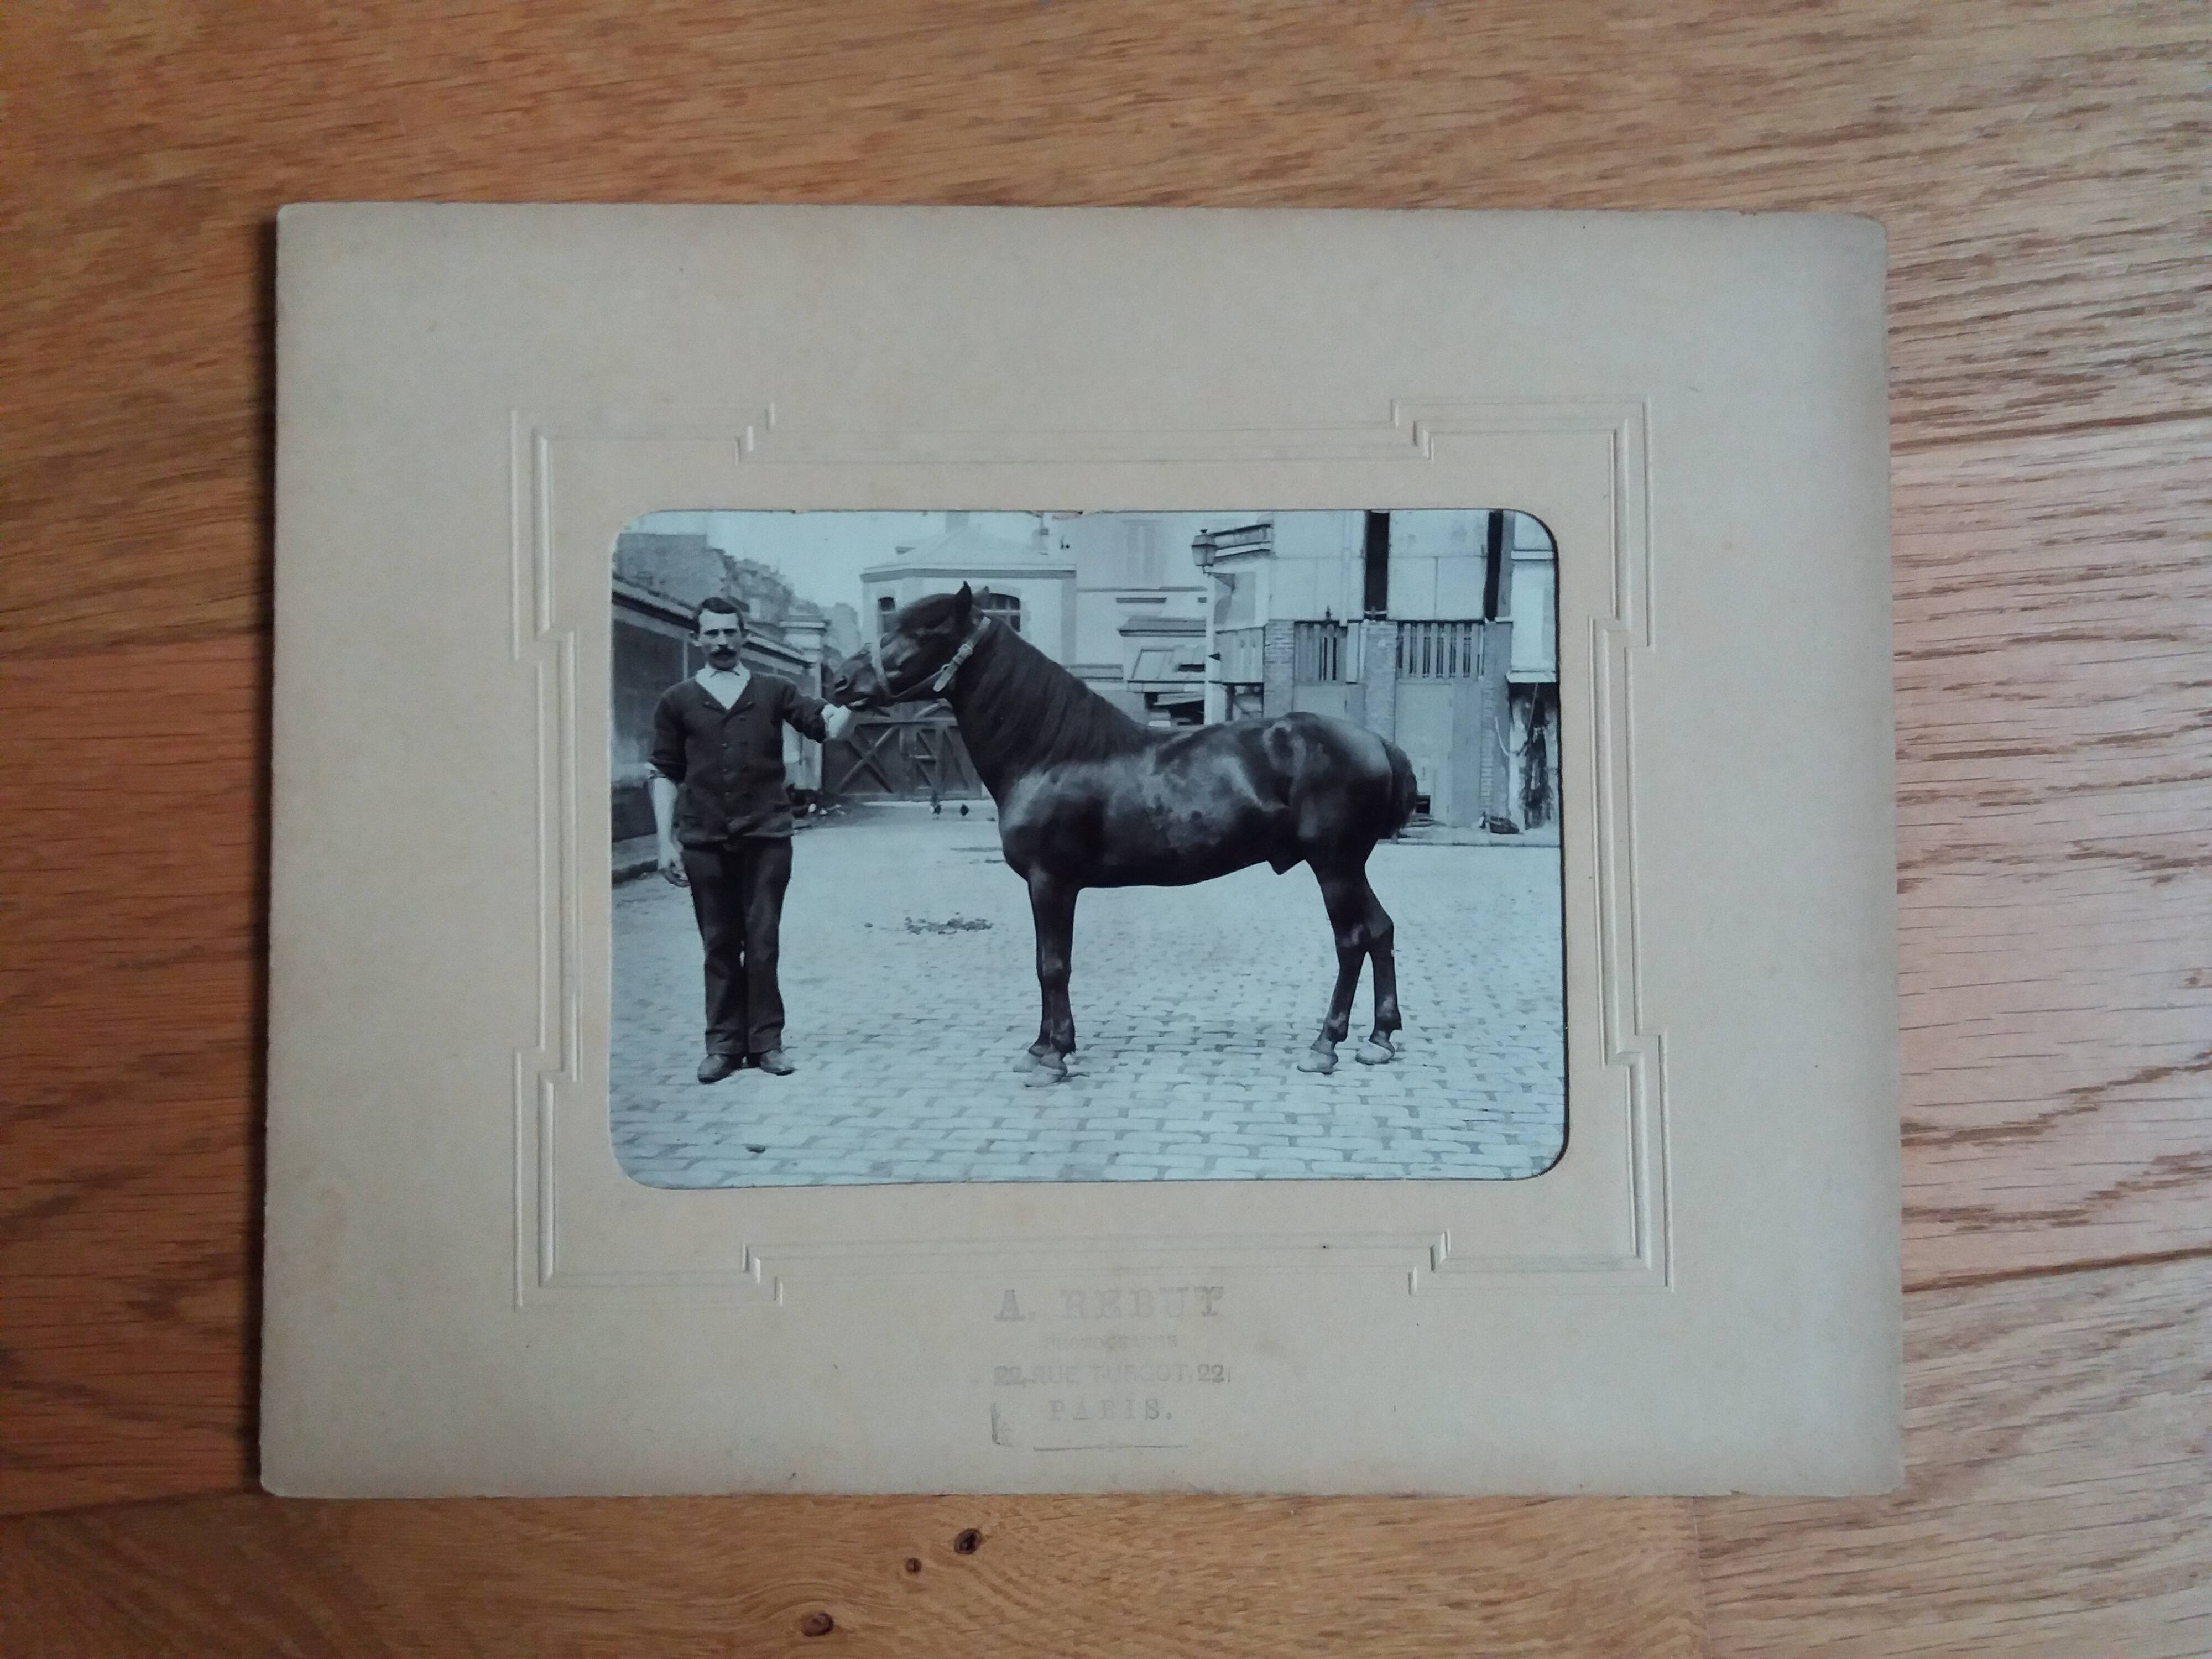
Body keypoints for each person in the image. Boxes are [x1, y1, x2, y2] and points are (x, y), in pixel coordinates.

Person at [648, 597, 854, 1083]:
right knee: (718, 943)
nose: (722, 643)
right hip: (702, 839)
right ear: (696, 638)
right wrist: (664, 842)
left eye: (730, 633)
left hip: (766, 837)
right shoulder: (676, 701)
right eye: (712, 634)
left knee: (762, 943)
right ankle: (722, 1045)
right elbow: (663, 773)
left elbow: (831, 728)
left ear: (744, 636)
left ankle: (766, 1044)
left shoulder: (774, 690)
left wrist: (857, 699)